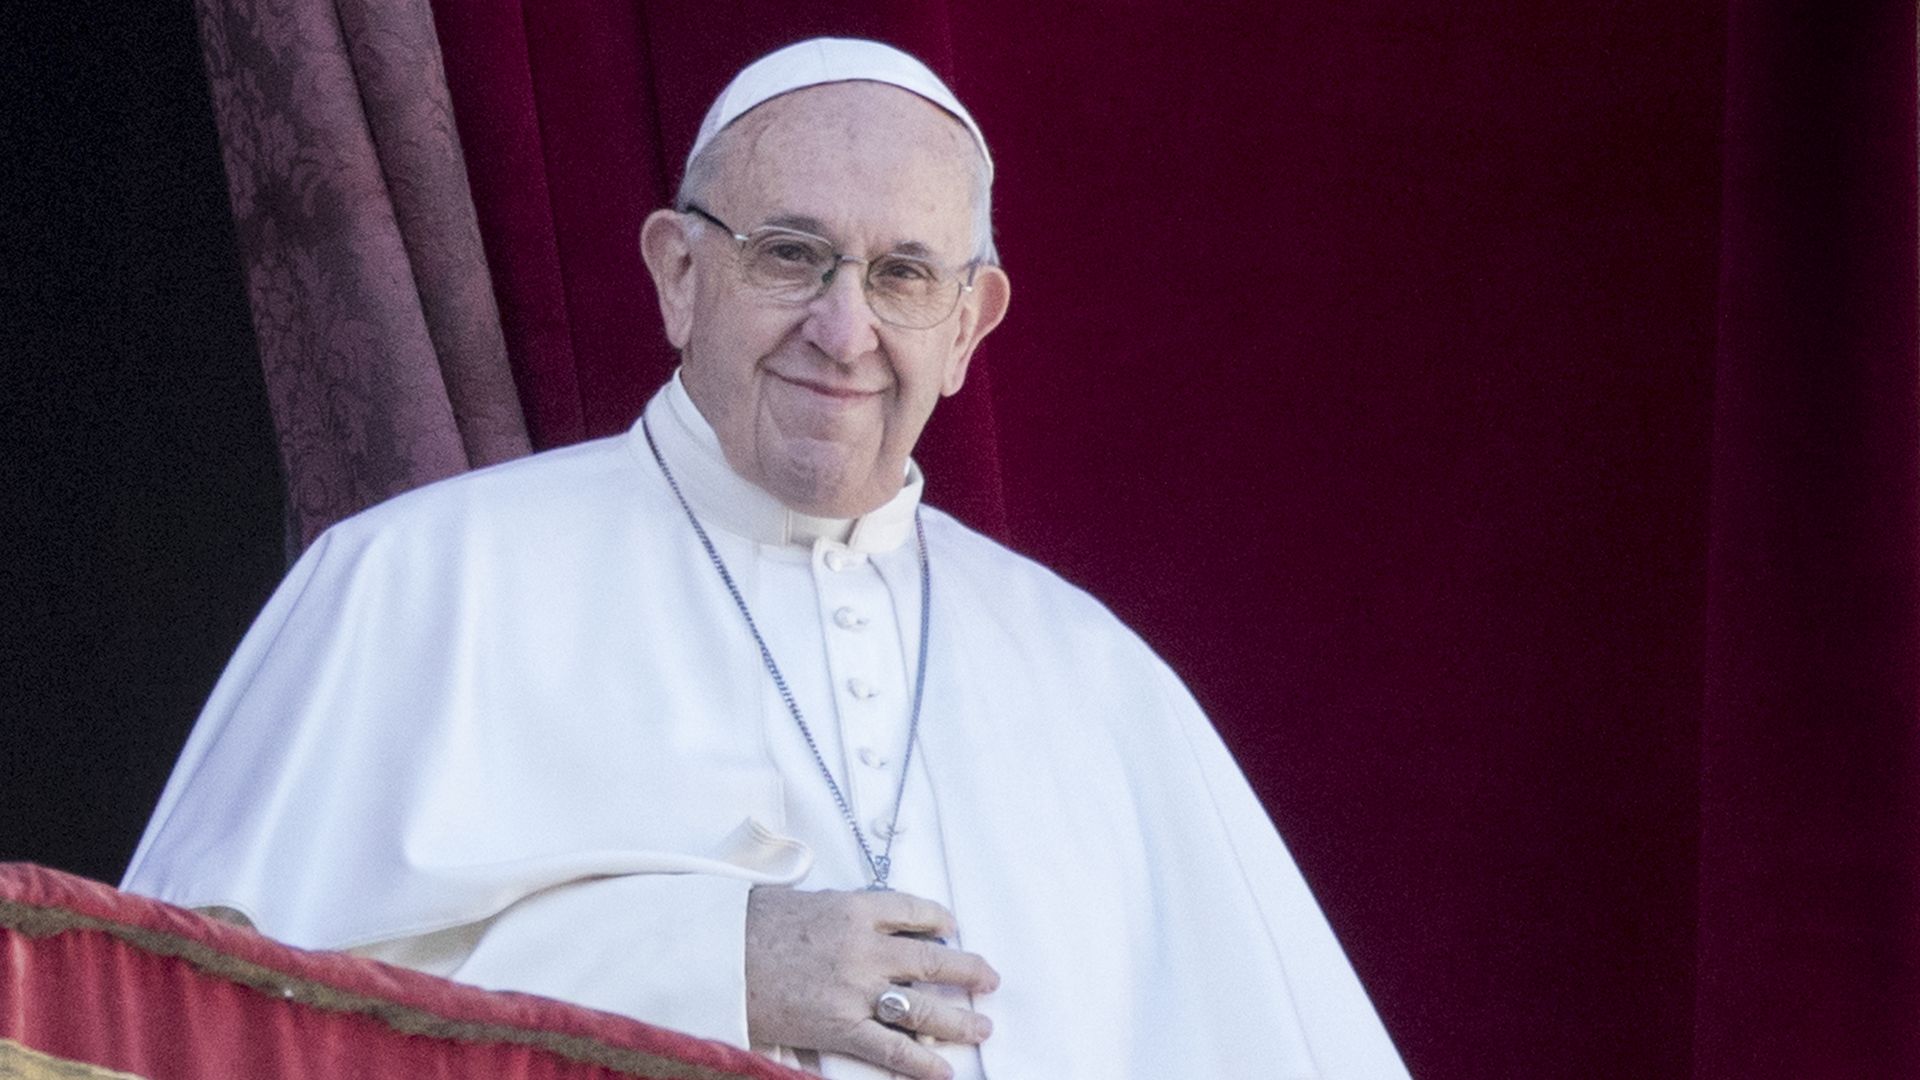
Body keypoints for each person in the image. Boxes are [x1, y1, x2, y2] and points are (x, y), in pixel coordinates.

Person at [123, 38, 1409, 1080]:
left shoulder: (1094, 679)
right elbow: (204, 1025)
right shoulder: (413, 587)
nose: (843, 330)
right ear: (679, 273)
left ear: (969, 326)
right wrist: (706, 964)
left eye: (905, 275)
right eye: (791, 255)